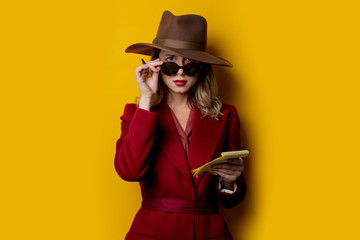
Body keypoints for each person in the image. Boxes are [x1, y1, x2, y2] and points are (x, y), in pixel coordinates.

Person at [114, 10, 246, 240]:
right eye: (170, 62)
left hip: (209, 233)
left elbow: (232, 200)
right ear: (156, 64)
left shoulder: (226, 115)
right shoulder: (137, 113)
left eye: (190, 63)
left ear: (202, 68)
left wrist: (229, 181)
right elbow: (129, 171)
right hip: (153, 231)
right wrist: (146, 100)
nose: (181, 72)